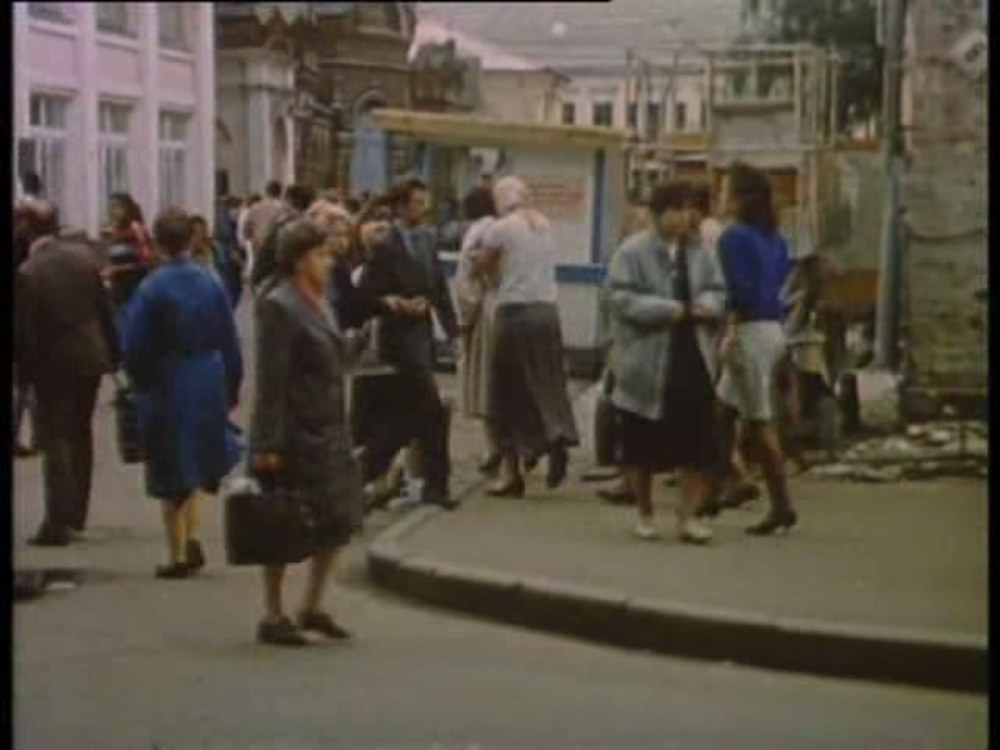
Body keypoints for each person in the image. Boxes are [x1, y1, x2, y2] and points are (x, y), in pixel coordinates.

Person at [250, 218, 367, 647]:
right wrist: (266, 444)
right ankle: (273, 613)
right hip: (295, 432)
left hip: (330, 427)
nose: (328, 262)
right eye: (320, 255)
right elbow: (271, 381)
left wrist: (362, 339)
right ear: (299, 260)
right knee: (283, 523)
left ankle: (312, 605)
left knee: (338, 519)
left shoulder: (321, 300)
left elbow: (333, 353)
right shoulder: (279, 306)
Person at [605, 179, 728, 544]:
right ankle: (645, 513)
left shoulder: (701, 251)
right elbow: (618, 298)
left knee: (697, 440)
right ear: (656, 214)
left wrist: (706, 307)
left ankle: (687, 516)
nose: (683, 217)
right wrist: (666, 309)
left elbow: (719, 291)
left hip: (693, 353)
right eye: (675, 210)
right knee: (642, 442)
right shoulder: (632, 251)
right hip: (646, 359)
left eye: (687, 209)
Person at [123, 209, 243, 578]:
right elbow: (229, 338)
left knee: (168, 464)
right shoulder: (210, 281)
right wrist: (232, 386)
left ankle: (176, 552)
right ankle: (192, 536)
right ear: (191, 239)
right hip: (207, 375)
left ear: (157, 242)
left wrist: (140, 382)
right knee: (196, 459)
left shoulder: (152, 288)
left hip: (167, 380)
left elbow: (135, 344)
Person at [15, 202, 120, 546]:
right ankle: (77, 513)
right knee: (80, 432)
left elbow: (26, 330)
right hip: (91, 357)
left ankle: (57, 521)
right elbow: (106, 310)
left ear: (28, 230)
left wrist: (24, 372)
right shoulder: (83, 260)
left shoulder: (29, 271)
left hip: (52, 364)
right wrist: (115, 355)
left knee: (55, 437)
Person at [357, 177, 460, 510]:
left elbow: (439, 286)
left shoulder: (427, 239)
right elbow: (367, 294)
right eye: (416, 202)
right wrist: (397, 303)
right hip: (397, 340)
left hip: (422, 337)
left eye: (424, 202)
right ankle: (433, 485)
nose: (423, 208)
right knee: (430, 411)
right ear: (400, 206)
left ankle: (367, 471)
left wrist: (452, 331)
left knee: (412, 416)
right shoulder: (385, 244)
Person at [477, 176, 579, 497]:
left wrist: (480, 265)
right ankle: (556, 433)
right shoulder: (544, 224)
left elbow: (484, 266)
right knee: (548, 382)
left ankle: (511, 473)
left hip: (514, 312)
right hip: (547, 312)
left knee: (505, 393)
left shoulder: (500, 228)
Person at [716, 162, 797, 536]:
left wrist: (724, 325)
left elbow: (735, 289)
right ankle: (732, 477)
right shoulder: (775, 238)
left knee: (758, 420)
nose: (720, 197)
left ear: (738, 198)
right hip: (773, 327)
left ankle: (780, 503)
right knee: (720, 411)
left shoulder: (732, 238)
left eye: (725, 190)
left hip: (748, 329)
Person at [453, 186, 502, 476]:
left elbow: (467, 280)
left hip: (484, 312)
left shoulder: (476, 234)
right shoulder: (504, 229)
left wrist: (464, 318)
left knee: (485, 384)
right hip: (506, 307)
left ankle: (495, 447)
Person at [102, 192, 155, 338]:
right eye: (110, 208)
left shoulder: (135, 229)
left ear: (127, 209)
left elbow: (146, 260)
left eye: (117, 207)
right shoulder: (113, 232)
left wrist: (117, 269)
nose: (113, 212)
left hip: (134, 285)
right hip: (118, 289)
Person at [250, 184, 317, 294]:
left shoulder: (285, 222)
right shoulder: (308, 224)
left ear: (290, 200)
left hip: (277, 279)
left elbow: (270, 253)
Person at [237, 194, 261, 279]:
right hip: (248, 240)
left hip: (244, 240)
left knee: (249, 260)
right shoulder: (249, 212)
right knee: (251, 260)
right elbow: (246, 228)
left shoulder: (244, 212)